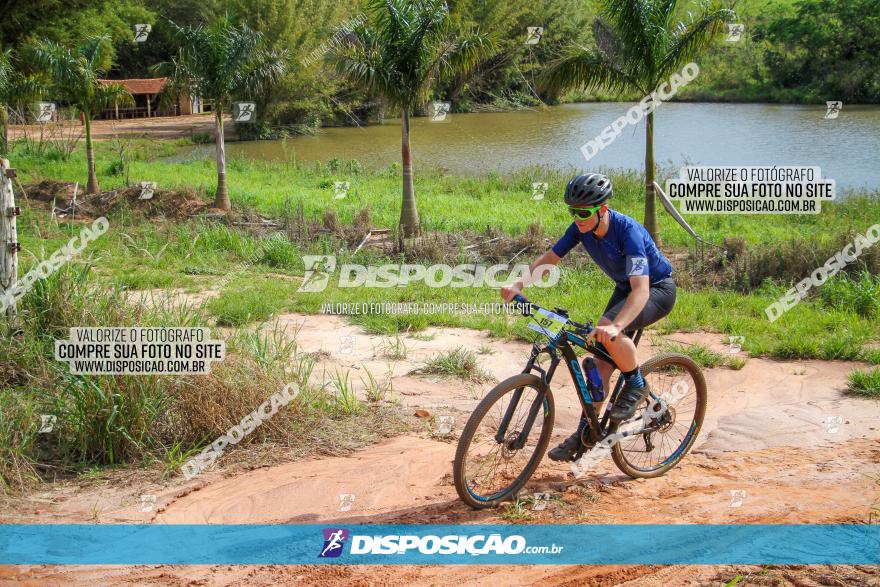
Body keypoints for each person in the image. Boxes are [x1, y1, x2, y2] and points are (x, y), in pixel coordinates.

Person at [500, 173, 676, 462]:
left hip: (656, 289)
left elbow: (641, 290)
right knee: (597, 368)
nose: (578, 217)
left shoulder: (627, 231)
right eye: (573, 211)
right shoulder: (580, 229)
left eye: (584, 212)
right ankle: (586, 434)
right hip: (625, 290)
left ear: (602, 209)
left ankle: (636, 382)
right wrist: (519, 284)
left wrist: (618, 325)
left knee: (609, 330)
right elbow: (550, 259)